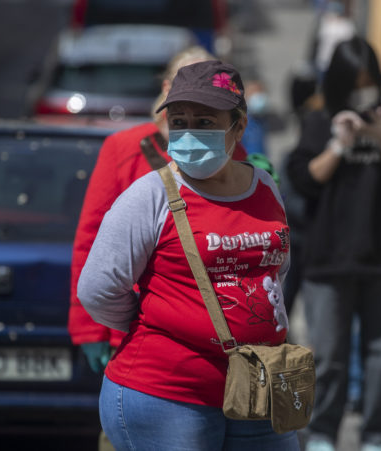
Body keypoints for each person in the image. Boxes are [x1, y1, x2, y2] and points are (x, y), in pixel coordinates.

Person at [77, 60, 297, 450]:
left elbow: (276, 269)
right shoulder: (149, 196)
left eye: (206, 122)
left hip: (258, 385)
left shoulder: (264, 185)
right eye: (179, 121)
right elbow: (97, 288)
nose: (190, 133)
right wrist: (163, 319)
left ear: (239, 127)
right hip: (167, 394)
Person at [287, 36, 381, 451]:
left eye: (370, 82)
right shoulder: (320, 120)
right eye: (355, 83)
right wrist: (338, 145)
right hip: (329, 261)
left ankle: (376, 436)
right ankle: (323, 435)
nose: (363, 91)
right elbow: (303, 179)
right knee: (329, 358)